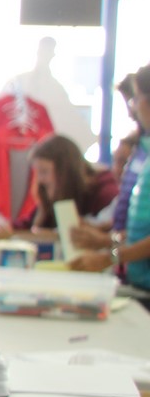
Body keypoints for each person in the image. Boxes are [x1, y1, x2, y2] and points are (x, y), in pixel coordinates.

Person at [72, 65, 150, 295]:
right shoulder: (145, 150)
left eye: (135, 99)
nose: (132, 108)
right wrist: (107, 241)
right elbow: (141, 229)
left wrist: (111, 255)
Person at [0, 133, 118, 243]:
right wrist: (5, 225)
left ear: (65, 172)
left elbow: (109, 233)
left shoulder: (104, 193)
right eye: (38, 173)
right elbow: (29, 224)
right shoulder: (52, 192)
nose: (40, 179)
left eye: (44, 172)